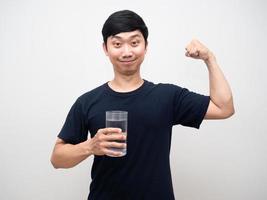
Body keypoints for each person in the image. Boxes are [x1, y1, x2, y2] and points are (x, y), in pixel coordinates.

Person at [50, 10, 234, 200]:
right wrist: (90, 146)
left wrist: (209, 58)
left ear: (146, 46)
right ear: (105, 48)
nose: (127, 51)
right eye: (117, 44)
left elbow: (224, 108)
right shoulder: (87, 102)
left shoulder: (167, 96)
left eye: (135, 42)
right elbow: (57, 158)